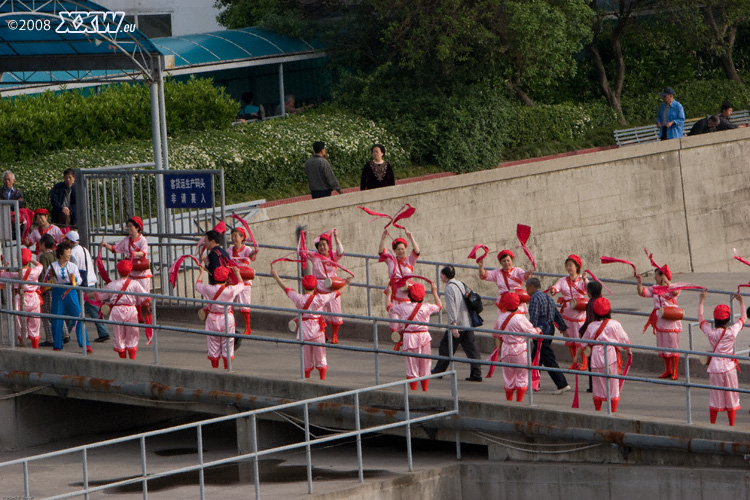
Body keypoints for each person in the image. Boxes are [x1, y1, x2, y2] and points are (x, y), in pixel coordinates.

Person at [271, 264, 351, 380]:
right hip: (317, 330)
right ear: (315, 287)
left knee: (306, 357)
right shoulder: (320, 299)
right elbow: (337, 293)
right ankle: (322, 378)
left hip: (304, 330)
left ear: (303, 287)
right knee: (321, 355)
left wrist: (276, 277)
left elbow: (286, 289)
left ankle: (306, 378)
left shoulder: (298, 298)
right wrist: (347, 283)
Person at [102, 216, 153, 343]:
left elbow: (143, 252)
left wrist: (134, 254)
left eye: (131, 226)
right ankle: (137, 316)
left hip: (142, 273)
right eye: (128, 226)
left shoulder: (142, 240)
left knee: (144, 296)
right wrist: (105, 245)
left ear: (137, 228)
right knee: (132, 296)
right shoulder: (126, 240)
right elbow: (116, 248)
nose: (129, 228)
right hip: (131, 272)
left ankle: (148, 318)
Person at [698, 290, 745, 426]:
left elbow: (700, 318)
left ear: (715, 319)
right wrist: (741, 301)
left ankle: (712, 424)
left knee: (715, 397)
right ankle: (731, 425)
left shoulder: (711, 333)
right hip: (729, 367)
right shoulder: (731, 332)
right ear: (728, 319)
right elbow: (743, 318)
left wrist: (701, 300)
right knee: (731, 396)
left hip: (715, 368)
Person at [577, 297, 631, 413]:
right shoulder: (614, 324)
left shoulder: (591, 326)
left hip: (595, 357)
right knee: (613, 385)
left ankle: (598, 410)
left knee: (597, 384)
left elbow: (583, 342)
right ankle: (613, 411)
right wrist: (628, 349)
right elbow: (624, 339)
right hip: (610, 355)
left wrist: (577, 358)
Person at [388, 282, 442, 391]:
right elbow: (439, 306)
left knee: (412, 364)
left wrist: (389, 294)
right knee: (425, 362)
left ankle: (413, 389)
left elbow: (389, 308)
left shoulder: (403, 307)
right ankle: (425, 388)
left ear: (409, 295)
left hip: (409, 337)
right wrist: (434, 292)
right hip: (424, 336)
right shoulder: (427, 307)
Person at [432, 265, 482, 381]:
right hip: (467, 322)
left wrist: (453, 325)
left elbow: (451, 308)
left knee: (445, 347)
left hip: (457, 324)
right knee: (472, 350)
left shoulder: (449, 288)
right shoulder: (460, 284)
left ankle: (438, 371)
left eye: (441, 274)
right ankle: (476, 373)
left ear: (444, 276)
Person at [94, 260, 147, 359]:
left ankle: (122, 359)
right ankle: (132, 359)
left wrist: (85, 294)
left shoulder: (112, 285)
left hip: (117, 312)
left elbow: (100, 294)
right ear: (130, 271)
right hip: (131, 311)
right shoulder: (135, 284)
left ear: (118, 271)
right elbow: (145, 297)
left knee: (118, 336)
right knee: (132, 335)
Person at [44, 241, 91, 353]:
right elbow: (45, 280)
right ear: (61, 254)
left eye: (70, 252)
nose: (69, 255)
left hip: (71, 292)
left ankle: (84, 343)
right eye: (67, 252)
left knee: (79, 316)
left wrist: (73, 280)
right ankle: (57, 344)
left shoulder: (73, 266)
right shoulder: (53, 266)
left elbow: (79, 280)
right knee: (57, 318)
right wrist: (50, 278)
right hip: (57, 292)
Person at [636, 265, 682, 380]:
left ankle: (675, 371)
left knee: (673, 346)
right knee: (662, 346)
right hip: (660, 319)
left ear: (662, 276)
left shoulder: (673, 287)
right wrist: (639, 282)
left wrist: (667, 282)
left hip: (671, 320)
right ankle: (668, 369)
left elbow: (675, 293)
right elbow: (642, 293)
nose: (654, 278)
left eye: (656, 275)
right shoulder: (655, 288)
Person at [195, 265, 245, 369]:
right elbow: (241, 285)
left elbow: (197, 285)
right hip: (227, 319)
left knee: (213, 345)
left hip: (212, 319)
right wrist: (237, 274)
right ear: (227, 278)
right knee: (228, 344)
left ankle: (215, 369)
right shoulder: (230, 290)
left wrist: (201, 273)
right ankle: (228, 369)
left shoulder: (208, 289)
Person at [526, 277, 570, 394]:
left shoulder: (535, 298)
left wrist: (532, 331)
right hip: (550, 329)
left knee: (547, 358)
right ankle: (534, 383)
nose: (526, 290)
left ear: (531, 287)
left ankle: (562, 384)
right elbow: (556, 314)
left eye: (526, 287)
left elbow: (534, 317)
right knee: (536, 356)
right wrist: (563, 328)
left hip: (541, 331)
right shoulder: (547, 297)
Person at [66, 230, 110, 343]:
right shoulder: (84, 249)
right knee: (94, 310)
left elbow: (73, 269)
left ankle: (65, 334)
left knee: (73, 309)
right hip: (91, 281)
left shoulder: (72, 253)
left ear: (70, 241)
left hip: (82, 284)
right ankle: (103, 332)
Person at [493, 292, 536, 402]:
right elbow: (533, 332)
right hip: (520, 349)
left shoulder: (501, 317)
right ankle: (519, 402)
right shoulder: (520, 318)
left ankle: (509, 401)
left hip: (506, 350)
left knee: (508, 377)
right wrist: (539, 330)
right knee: (522, 375)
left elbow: (495, 333)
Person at [549, 254, 588, 366]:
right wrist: (552, 290)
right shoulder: (562, 280)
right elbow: (556, 289)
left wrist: (585, 280)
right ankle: (574, 361)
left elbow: (588, 288)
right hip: (567, 313)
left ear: (577, 266)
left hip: (579, 312)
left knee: (580, 337)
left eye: (571, 265)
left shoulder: (582, 280)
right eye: (567, 265)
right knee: (570, 338)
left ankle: (584, 362)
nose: (569, 268)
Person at [308, 230, 345, 344]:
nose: (322, 247)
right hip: (319, 288)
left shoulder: (333, 256)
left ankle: (335, 335)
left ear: (329, 246)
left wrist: (336, 238)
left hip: (332, 287)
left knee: (335, 312)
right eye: (320, 246)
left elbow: (341, 251)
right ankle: (323, 333)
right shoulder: (315, 257)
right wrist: (302, 238)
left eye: (324, 245)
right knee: (319, 313)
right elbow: (302, 252)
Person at [1, 248, 42, 348]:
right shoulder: (34, 272)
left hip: (19, 298)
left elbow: (2, 275)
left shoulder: (14, 274)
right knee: (35, 323)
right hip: (33, 298)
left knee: (20, 323)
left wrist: (4, 265)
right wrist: (31, 259)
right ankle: (35, 346)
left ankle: (22, 343)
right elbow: (40, 265)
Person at [478, 249, 532, 315]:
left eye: (508, 260)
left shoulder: (517, 270)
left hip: (517, 300)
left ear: (511, 261)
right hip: (504, 301)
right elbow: (484, 275)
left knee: (518, 318)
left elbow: (524, 276)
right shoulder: (497, 273)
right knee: (504, 319)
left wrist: (528, 274)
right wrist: (481, 266)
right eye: (504, 261)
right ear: (500, 262)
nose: (506, 263)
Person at [378, 228, 420, 305]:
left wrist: (411, 237)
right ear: (394, 251)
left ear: (406, 249)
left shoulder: (410, 260)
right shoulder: (391, 260)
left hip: (407, 292)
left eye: (402, 249)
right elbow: (381, 252)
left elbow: (417, 251)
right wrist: (383, 239)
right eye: (398, 249)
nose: (400, 251)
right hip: (394, 293)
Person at [229, 227, 257, 337]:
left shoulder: (246, 249)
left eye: (236, 236)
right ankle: (232, 325)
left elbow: (252, 255)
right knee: (230, 303)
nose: (234, 238)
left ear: (242, 238)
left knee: (244, 303)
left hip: (244, 278)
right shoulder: (230, 250)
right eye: (232, 236)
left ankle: (248, 327)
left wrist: (253, 253)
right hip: (233, 279)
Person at [578, 280, 603, 393]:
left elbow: (589, 320)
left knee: (592, 362)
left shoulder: (591, 303)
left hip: (593, 335)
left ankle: (593, 386)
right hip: (602, 333)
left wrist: (582, 331)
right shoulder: (602, 301)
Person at [37, 234, 59, 347]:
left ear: (44, 245)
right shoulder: (55, 255)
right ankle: (64, 334)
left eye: (40, 244)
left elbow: (43, 272)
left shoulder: (43, 257)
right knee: (56, 312)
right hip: (56, 286)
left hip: (47, 288)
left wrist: (41, 287)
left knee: (46, 314)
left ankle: (50, 338)